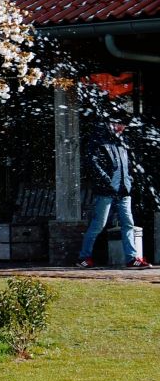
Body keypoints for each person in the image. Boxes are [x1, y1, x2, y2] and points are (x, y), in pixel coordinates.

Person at [77, 111, 151, 268]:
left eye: (123, 125)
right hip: (106, 191)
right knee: (98, 225)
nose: (122, 128)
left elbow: (129, 164)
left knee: (128, 224)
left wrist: (129, 180)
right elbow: (92, 163)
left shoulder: (122, 142)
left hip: (124, 191)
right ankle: (83, 258)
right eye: (119, 124)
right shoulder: (99, 140)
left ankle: (132, 259)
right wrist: (107, 181)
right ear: (110, 124)